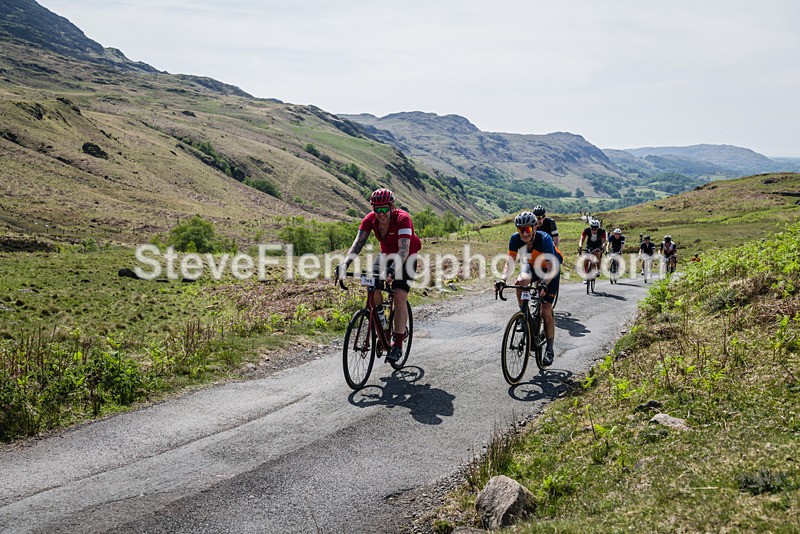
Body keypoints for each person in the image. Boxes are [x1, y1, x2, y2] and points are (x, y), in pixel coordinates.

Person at [335, 188, 421, 362]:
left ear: (391, 206)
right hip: (385, 255)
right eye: (376, 209)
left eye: (384, 209)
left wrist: (391, 272)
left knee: (399, 295)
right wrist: (345, 264)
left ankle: (397, 343)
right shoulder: (370, 219)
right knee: (371, 283)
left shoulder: (403, 219)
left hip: (406, 257)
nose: (380, 213)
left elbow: (403, 250)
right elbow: (358, 244)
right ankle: (381, 322)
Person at [494, 211, 561, 366]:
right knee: (520, 282)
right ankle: (524, 315)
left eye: (528, 230)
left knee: (545, 309)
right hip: (532, 265)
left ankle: (550, 349)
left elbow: (551, 267)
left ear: (534, 228)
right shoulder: (515, 239)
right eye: (521, 229)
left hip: (550, 268)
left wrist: (544, 283)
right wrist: (503, 280)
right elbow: (509, 263)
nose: (524, 233)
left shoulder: (544, 239)